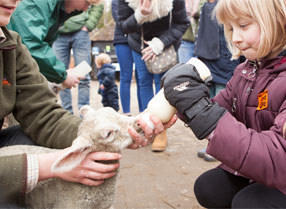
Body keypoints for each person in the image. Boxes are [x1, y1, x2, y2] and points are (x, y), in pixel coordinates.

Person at [0, 1, 176, 207]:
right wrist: (47, 166)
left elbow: (44, 115)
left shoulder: (10, 43)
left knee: (37, 140)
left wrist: (121, 131)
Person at [161, 0, 286, 207]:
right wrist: (184, 101)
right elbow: (218, 107)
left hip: (279, 167)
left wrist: (202, 113)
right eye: (230, 28)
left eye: (243, 25)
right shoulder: (247, 70)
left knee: (249, 203)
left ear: (276, 19)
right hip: (265, 167)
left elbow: (279, 157)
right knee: (209, 188)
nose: (235, 38)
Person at [117, 0, 189, 152]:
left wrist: (159, 43)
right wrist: (140, 14)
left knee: (162, 85)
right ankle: (146, 125)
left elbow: (182, 23)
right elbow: (123, 26)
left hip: (166, 44)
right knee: (143, 82)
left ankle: (160, 130)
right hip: (139, 45)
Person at [193, 0, 243, 162]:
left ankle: (223, 145)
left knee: (224, 104)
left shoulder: (232, 5)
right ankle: (214, 143)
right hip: (210, 56)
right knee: (213, 102)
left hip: (227, 57)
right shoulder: (208, 4)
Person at [7, 0, 95, 89]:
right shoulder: (39, 4)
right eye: (87, 3)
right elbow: (31, 43)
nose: (85, 9)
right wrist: (63, 75)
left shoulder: (56, 10)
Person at [52, 2, 104, 114]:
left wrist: (89, 25)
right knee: (60, 75)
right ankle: (66, 114)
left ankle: (84, 113)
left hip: (81, 31)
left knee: (84, 74)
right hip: (59, 31)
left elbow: (98, 4)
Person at [111, 0, 143, 116]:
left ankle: (142, 111)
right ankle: (126, 112)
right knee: (125, 76)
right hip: (122, 39)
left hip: (139, 39)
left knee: (141, 77)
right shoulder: (116, 2)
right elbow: (119, 18)